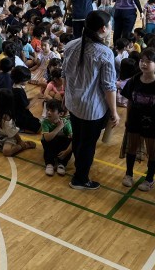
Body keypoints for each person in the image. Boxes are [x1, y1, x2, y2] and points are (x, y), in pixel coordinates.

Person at [63, 10, 120, 190]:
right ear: (103, 29)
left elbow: (65, 75)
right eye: (110, 25)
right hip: (91, 109)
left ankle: (78, 168)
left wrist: (66, 96)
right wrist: (114, 112)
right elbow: (109, 86)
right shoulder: (105, 53)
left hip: (73, 102)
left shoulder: (71, 45)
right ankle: (80, 178)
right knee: (87, 145)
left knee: (79, 138)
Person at [119, 48, 155, 192]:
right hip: (135, 119)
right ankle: (129, 174)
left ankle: (149, 179)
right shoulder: (134, 79)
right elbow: (130, 101)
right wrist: (127, 118)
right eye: (142, 61)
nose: (143, 64)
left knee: (152, 151)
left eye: (148, 62)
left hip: (152, 123)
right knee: (131, 147)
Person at [0, 88, 37, 156]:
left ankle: (25, 145)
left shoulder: (7, 117)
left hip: (10, 136)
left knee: (6, 152)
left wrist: (20, 142)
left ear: (1, 102)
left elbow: (14, 132)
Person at [41, 100, 73, 177]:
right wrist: (59, 127)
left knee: (69, 140)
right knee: (45, 139)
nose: (48, 112)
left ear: (60, 114)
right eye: (48, 110)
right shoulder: (45, 122)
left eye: (52, 111)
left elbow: (73, 140)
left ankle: (62, 164)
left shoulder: (66, 123)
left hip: (62, 149)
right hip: (51, 146)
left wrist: (66, 152)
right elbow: (47, 138)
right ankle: (49, 163)